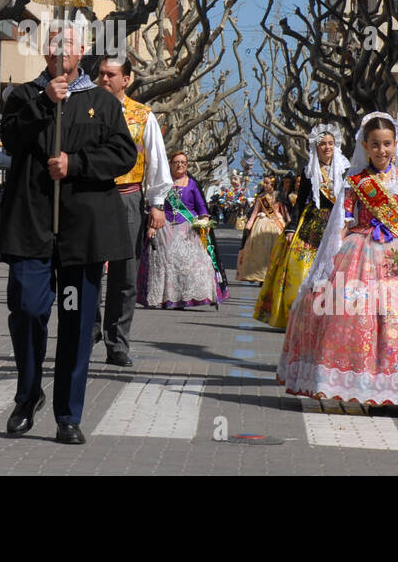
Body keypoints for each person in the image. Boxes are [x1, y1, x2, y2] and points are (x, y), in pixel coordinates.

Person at [0, 22, 137, 445]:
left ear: (82, 52)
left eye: (69, 45)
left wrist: (74, 164)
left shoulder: (102, 102)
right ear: (44, 52)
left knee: (76, 322)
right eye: (53, 44)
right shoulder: (23, 95)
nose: (60, 51)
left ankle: (68, 414)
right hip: (32, 229)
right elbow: (10, 139)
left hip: (81, 234)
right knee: (29, 308)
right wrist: (44, 101)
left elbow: (122, 153)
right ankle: (27, 395)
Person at [276, 112, 398, 406]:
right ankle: (358, 381)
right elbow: (343, 222)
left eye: (387, 144)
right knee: (353, 315)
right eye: (376, 144)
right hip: (358, 252)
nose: (382, 150)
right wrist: (330, 258)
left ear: (396, 145)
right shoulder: (355, 182)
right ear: (365, 146)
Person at [93, 57, 170, 367]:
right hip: (92, 198)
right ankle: (88, 331)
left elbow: (156, 160)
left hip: (127, 199)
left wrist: (157, 204)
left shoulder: (143, 116)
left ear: (126, 79)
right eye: (100, 74)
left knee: (124, 277)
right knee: (87, 270)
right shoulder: (86, 108)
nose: (103, 79)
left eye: (110, 75)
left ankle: (117, 343)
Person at [255, 124, 348, 329]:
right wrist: (291, 228)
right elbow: (301, 202)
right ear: (316, 147)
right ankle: (297, 315)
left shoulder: (346, 170)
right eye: (322, 144)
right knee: (301, 269)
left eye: (330, 143)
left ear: (336, 145)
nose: (326, 147)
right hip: (311, 226)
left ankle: (328, 319)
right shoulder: (308, 172)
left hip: (337, 225)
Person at [137, 149, 225, 311]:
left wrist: (204, 221)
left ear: (187, 165)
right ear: (170, 164)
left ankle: (184, 299)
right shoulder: (162, 184)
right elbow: (154, 206)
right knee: (165, 261)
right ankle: (164, 298)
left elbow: (201, 208)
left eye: (183, 163)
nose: (180, 165)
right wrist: (150, 226)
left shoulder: (192, 184)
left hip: (188, 229)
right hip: (164, 227)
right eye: (176, 162)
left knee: (189, 263)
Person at [238, 177, 288, 284]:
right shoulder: (261, 197)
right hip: (262, 224)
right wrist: (249, 225)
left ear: (273, 184)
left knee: (274, 250)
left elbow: (284, 212)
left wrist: (289, 224)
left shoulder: (279, 196)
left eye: (267, 183)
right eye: (264, 183)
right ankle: (261, 275)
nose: (265, 185)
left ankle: (272, 275)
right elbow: (255, 212)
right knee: (261, 251)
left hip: (276, 224)